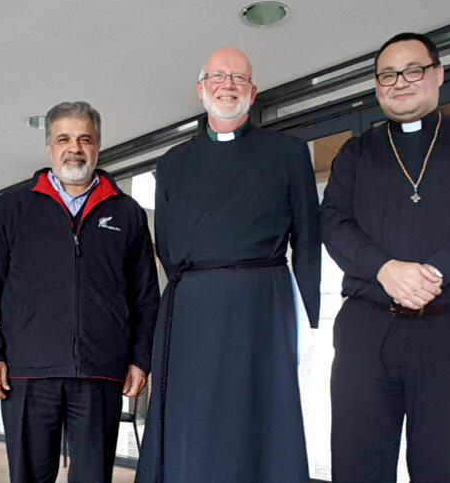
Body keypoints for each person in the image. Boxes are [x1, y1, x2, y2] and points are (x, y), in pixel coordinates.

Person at [321, 32, 450, 482]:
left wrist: (434, 271)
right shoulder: (357, 153)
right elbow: (333, 223)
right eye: (388, 74)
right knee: (356, 468)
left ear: (438, 74)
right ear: (377, 86)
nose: (401, 82)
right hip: (366, 333)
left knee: (441, 469)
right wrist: (385, 269)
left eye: (414, 70)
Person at [136, 47, 321, 483]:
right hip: (191, 310)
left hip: (263, 304)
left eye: (239, 78)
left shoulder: (289, 153)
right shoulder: (172, 163)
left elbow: (309, 241)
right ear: (201, 89)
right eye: (218, 76)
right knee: (192, 417)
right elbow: (167, 244)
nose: (228, 85)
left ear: (253, 93)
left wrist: (305, 322)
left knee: (259, 416)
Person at [0, 101, 159, 483]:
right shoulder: (10, 210)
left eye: (85, 139)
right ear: (49, 149)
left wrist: (140, 358)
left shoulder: (128, 214)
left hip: (100, 373)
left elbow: (145, 297)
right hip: (27, 376)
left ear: (98, 146)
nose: (75, 148)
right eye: (64, 139)